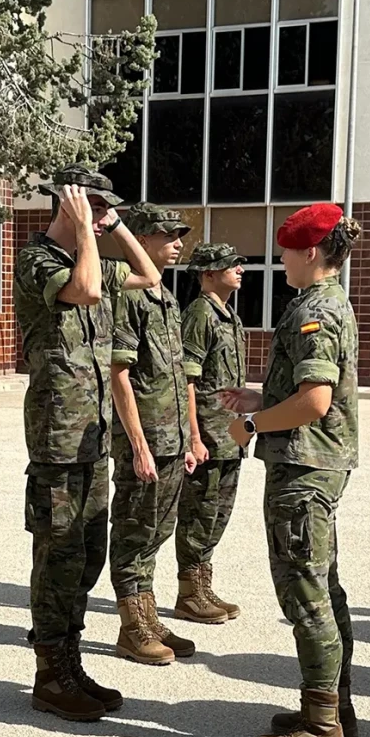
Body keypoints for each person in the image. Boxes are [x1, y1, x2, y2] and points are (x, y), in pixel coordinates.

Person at [15, 164, 160, 721]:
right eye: (95, 207)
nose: (102, 218)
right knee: (58, 556)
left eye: (105, 209)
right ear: (69, 206)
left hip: (91, 436)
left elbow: (147, 275)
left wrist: (117, 226)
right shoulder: (38, 261)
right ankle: (50, 674)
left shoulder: (91, 249)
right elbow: (89, 289)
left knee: (87, 555)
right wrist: (82, 229)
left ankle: (71, 665)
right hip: (57, 437)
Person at [225, 203, 360, 737]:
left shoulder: (317, 313)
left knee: (305, 591)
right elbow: (305, 392)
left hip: (304, 470)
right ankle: (333, 709)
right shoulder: (322, 303)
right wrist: (262, 399)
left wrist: (252, 424)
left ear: (310, 252)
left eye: (284, 250)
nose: (278, 259)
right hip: (313, 463)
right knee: (322, 585)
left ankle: (322, 725)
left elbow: (315, 401)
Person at [109, 202, 196, 665]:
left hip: (171, 439)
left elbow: (176, 375)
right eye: (169, 234)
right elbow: (118, 374)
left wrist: (186, 438)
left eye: (179, 234)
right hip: (142, 441)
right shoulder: (128, 295)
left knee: (157, 531)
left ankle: (148, 614)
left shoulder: (166, 297)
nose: (178, 242)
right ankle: (131, 626)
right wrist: (139, 445)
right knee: (132, 531)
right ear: (142, 240)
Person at [174, 243, 247, 625]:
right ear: (207, 274)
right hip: (209, 436)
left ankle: (202, 584)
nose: (239, 268)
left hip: (230, 435)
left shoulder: (228, 316)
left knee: (218, 514)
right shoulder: (200, 315)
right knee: (199, 515)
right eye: (230, 264)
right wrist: (193, 436)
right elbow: (187, 379)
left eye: (238, 264)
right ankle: (189, 593)